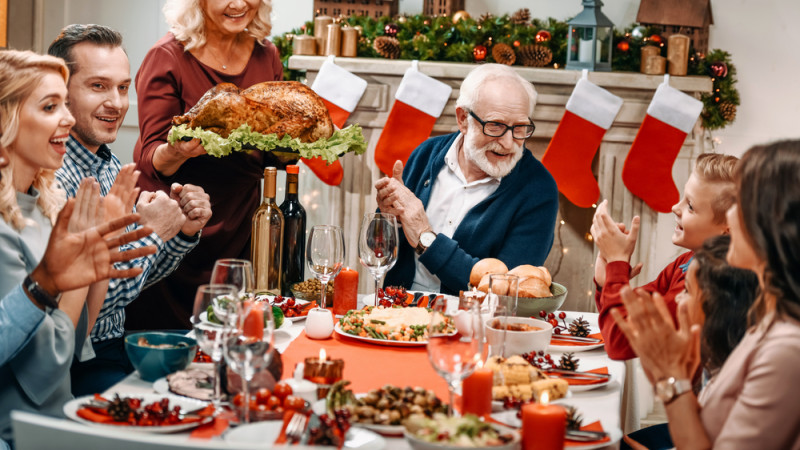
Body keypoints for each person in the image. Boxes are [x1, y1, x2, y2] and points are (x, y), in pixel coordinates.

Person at [47, 23, 212, 395]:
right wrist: (152, 231)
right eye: (98, 86)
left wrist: (180, 231)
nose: (117, 103)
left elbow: (134, 276)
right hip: (78, 362)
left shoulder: (107, 163)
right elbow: (89, 308)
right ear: (60, 91)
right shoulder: (53, 177)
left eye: (123, 88)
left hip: (120, 343)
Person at [0, 49, 149, 447]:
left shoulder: (44, 205)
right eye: (51, 106)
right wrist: (70, 272)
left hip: (58, 418)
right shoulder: (3, 231)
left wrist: (97, 253)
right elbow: (48, 365)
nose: (67, 118)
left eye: (64, 104)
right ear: (6, 123)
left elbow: (79, 330)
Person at [614, 140, 800, 448]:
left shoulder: (787, 351)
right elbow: (712, 426)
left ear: (772, 228)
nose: (728, 220)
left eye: (741, 206)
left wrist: (669, 380)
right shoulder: (766, 315)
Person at [128, 0, 283, 330]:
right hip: (177, 228)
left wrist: (299, 141)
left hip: (239, 228)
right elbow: (152, 157)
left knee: (229, 338)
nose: (239, 4)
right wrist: (181, 151)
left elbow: (270, 150)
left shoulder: (266, 54)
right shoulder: (167, 55)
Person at [377, 63, 558, 295]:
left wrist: (426, 238)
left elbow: (506, 292)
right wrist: (388, 219)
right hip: (397, 311)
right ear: (463, 119)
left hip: (473, 324)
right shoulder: (426, 154)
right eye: (495, 126)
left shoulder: (539, 190)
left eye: (520, 128)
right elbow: (379, 251)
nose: (508, 143)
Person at [591, 153, 738, 360]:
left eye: (690, 206)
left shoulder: (707, 283)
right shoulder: (687, 261)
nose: (674, 208)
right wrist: (607, 280)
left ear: (728, 229)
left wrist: (617, 261)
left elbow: (619, 342)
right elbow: (622, 320)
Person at [620, 234, 758, 450]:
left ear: (716, 308)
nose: (677, 298)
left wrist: (668, 377)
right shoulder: (715, 352)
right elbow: (704, 422)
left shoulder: (745, 372)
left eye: (687, 291)